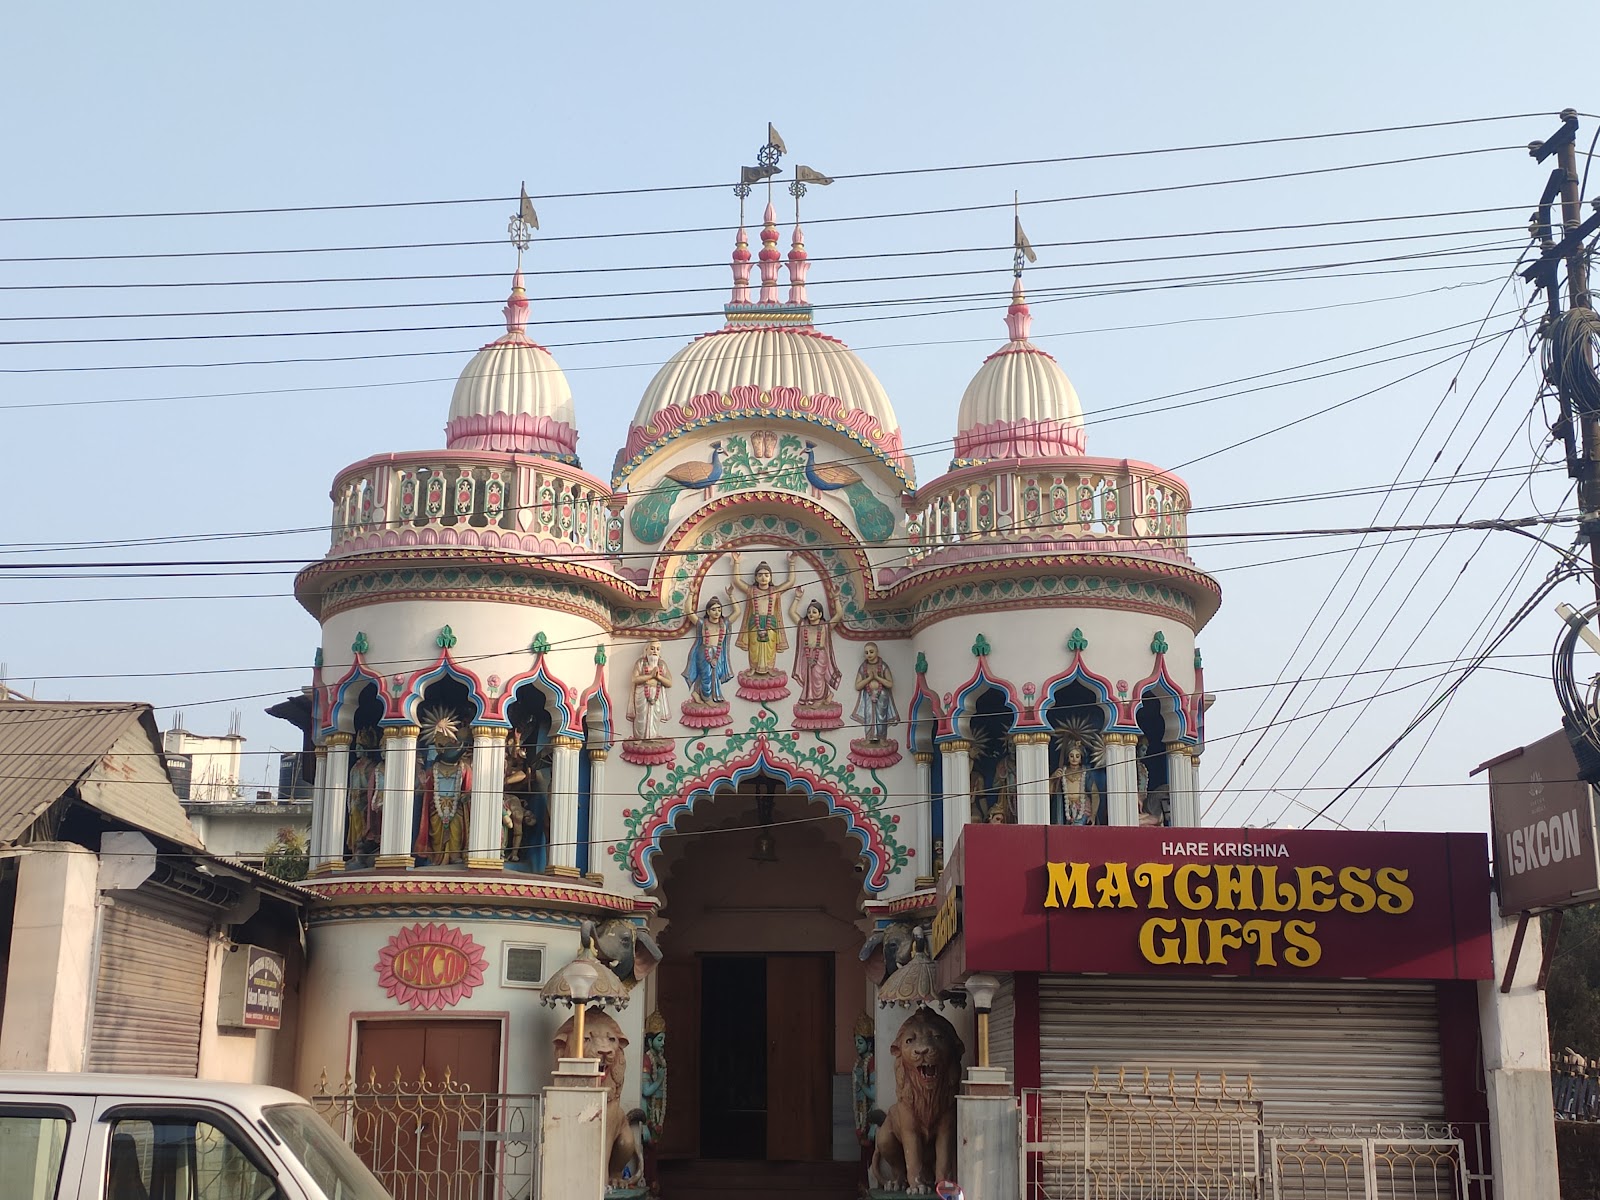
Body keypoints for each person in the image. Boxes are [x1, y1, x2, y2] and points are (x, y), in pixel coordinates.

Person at [731, 553, 794, 676]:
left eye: (766, 575)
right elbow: (737, 581)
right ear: (755, 578)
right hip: (755, 622)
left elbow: (790, 582)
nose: (763, 578)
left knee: (770, 647)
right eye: (760, 575)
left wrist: (791, 563)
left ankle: (770, 668)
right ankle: (753, 667)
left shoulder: (775, 591)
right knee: (754, 647)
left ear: (770, 577)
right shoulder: (751, 591)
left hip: (771, 622)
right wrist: (736, 562)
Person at [789, 592, 842, 704]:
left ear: (820, 614)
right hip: (807, 656)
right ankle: (819, 696)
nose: (811, 614)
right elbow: (792, 612)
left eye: (814, 612)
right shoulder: (803, 625)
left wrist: (836, 598)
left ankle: (821, 698)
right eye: (809, 612)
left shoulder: (825, 626)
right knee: (808, 677)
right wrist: (797, 598)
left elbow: (839, 615)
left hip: (820, 655)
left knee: (818, 677)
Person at [684, 593, 736, 703]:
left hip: (718, 654)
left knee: (716, 674)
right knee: (706, 675)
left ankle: (700, 693)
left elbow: (737, 612)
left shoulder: (724, 623)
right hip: (705, 652)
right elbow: (688, 611)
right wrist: (691, 593)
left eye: (719, 610)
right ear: (708, 611)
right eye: (713, 609)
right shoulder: (702, 623)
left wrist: (731, 596)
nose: (717, 612)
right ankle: (706, 698)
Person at [852, 643, 898, 743]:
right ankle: (868, 738)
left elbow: (890, 684)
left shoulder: (883, 666)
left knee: (882, 716)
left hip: (882, 695)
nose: (869, 654)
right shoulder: (863, 667)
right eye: (866, 652)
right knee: (868, 715)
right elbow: (857, 686)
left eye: (871, 652)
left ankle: (882, 738)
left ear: (877, 652)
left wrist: (877, 677)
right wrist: (869, 678)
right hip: (868, 695)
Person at [628, 640, 673, 739]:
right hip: (642, 695)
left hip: (657, 695)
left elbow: (669, 683)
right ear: (646, 650)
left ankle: (653, 737)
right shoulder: (640, 663)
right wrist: (650, 676)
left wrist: (658, 677)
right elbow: (634, 679)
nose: (655, 651)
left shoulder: (662, 664)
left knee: (655, 716)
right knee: (641, 716)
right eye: (652, 648)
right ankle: (639, 738)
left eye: (657, 649)